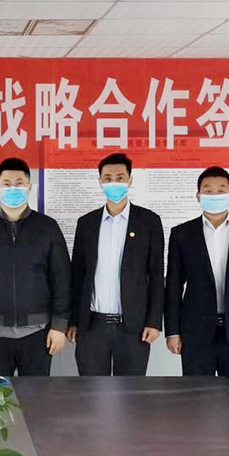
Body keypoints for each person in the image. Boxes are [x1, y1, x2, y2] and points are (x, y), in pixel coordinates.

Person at [0, 157, 70, 377]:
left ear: (29, 186)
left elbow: (62, 279)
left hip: (38, 333)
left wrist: (59, 325)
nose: (13, 188)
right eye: (7, 183)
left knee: (37, 395)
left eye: (19, 183)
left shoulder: (47, 228)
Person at [164, 167, 229, 390]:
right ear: (198, 195)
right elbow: (173, 286)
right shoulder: (182, 233)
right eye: (208, 190)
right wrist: (173, 331)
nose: (214, 195)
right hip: (196, 332)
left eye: (221, 190)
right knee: (196, 398)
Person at [68, 153, 164, 376]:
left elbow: (157, 275)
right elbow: (77, 275)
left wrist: (154, 322)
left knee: (130, 392)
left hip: (133, 327)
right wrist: (73, 320)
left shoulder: (148, 222)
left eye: (120, 178)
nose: (114, 183)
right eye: (108, 178)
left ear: (130, 180)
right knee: (92, 390)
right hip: (92, 326)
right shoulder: (86, 223)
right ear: (100, 181)